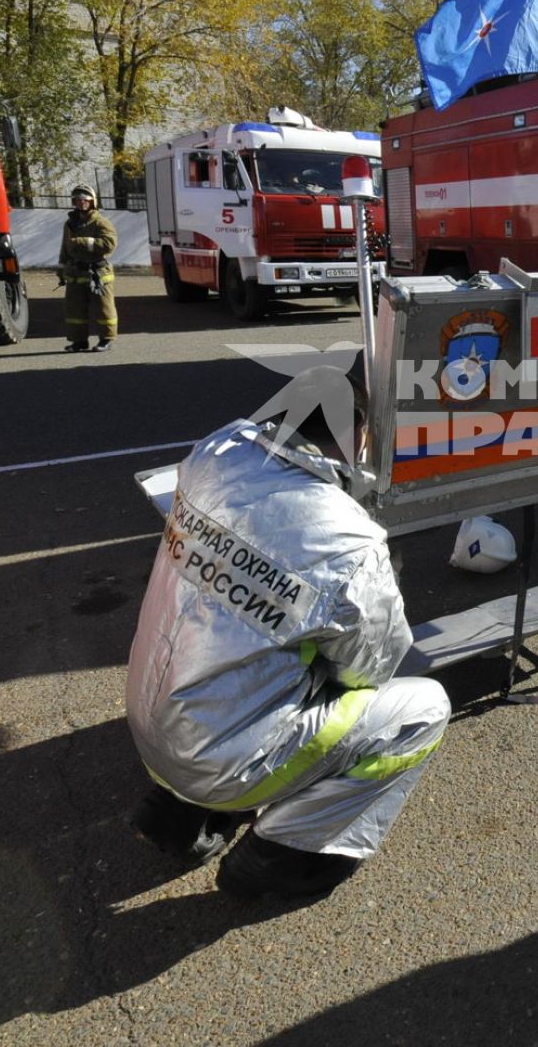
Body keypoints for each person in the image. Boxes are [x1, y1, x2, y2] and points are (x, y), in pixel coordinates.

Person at [124, 368, 449, 902]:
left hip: (147, 721)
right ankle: (282, 855)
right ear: (362, 434)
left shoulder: (212, 455)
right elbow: (375, 666)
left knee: (233, 638)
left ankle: (179, 813)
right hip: (223, 760)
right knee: (421, 709)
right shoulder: (348, 540)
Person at [58, 185, 118, 352]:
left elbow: (109, 245)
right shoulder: (70, 224)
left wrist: (85, 242)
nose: (81, 202)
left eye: (85, 199)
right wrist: (62, 268)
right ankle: (79, 341)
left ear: (92, 202)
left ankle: (106, 339)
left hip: (98, 273)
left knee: (103, 308)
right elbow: (65, 247)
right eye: (77, 199)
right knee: (75, 310)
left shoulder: (101, 222)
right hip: (76, 272)